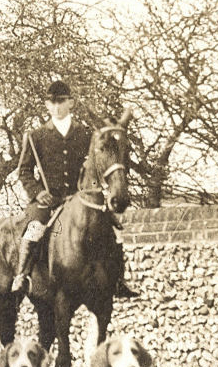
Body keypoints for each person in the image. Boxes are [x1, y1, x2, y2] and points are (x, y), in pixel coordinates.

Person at [12, 80, 138, 298]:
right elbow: (23, 172)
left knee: (113, 231)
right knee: (34, 229)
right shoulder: (35, 137)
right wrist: (38, 192)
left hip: (79, 199)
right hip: (47, 201)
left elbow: (97, 165)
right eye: (52, 103)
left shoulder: (86, 134)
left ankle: (118, 279)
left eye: (61, 101)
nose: (57, 107)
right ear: (47, 106)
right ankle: (22, 275)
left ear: (71, 102)